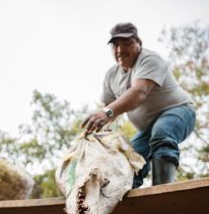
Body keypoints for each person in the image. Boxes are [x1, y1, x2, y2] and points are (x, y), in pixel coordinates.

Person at [81, 22, 195, 188]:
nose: (120, 50)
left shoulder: (149, 59)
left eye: (126, 43)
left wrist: (107, 112)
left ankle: (162, 190)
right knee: (128, 158)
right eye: (116, 45)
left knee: (162, 133)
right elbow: (109, 109)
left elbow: (139, 92)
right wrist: (98, 137)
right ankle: (125, 200)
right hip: (147, 129)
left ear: (138, 44)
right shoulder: (112, 75)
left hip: (180, 111)